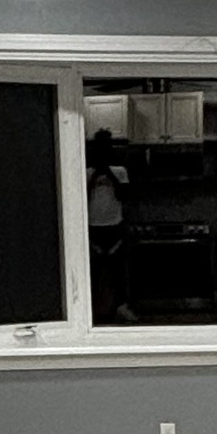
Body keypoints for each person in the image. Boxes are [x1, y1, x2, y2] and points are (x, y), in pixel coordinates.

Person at [85, 130, 135, 323]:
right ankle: (93, 311)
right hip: (93, 227)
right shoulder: (88, 172)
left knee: (117, 271)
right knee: (95, 271)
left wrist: (109, 175)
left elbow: (124, 196)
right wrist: (96, 174)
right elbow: (82, 197)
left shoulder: (120, 171)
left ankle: (121, 307)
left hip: (115, 226)